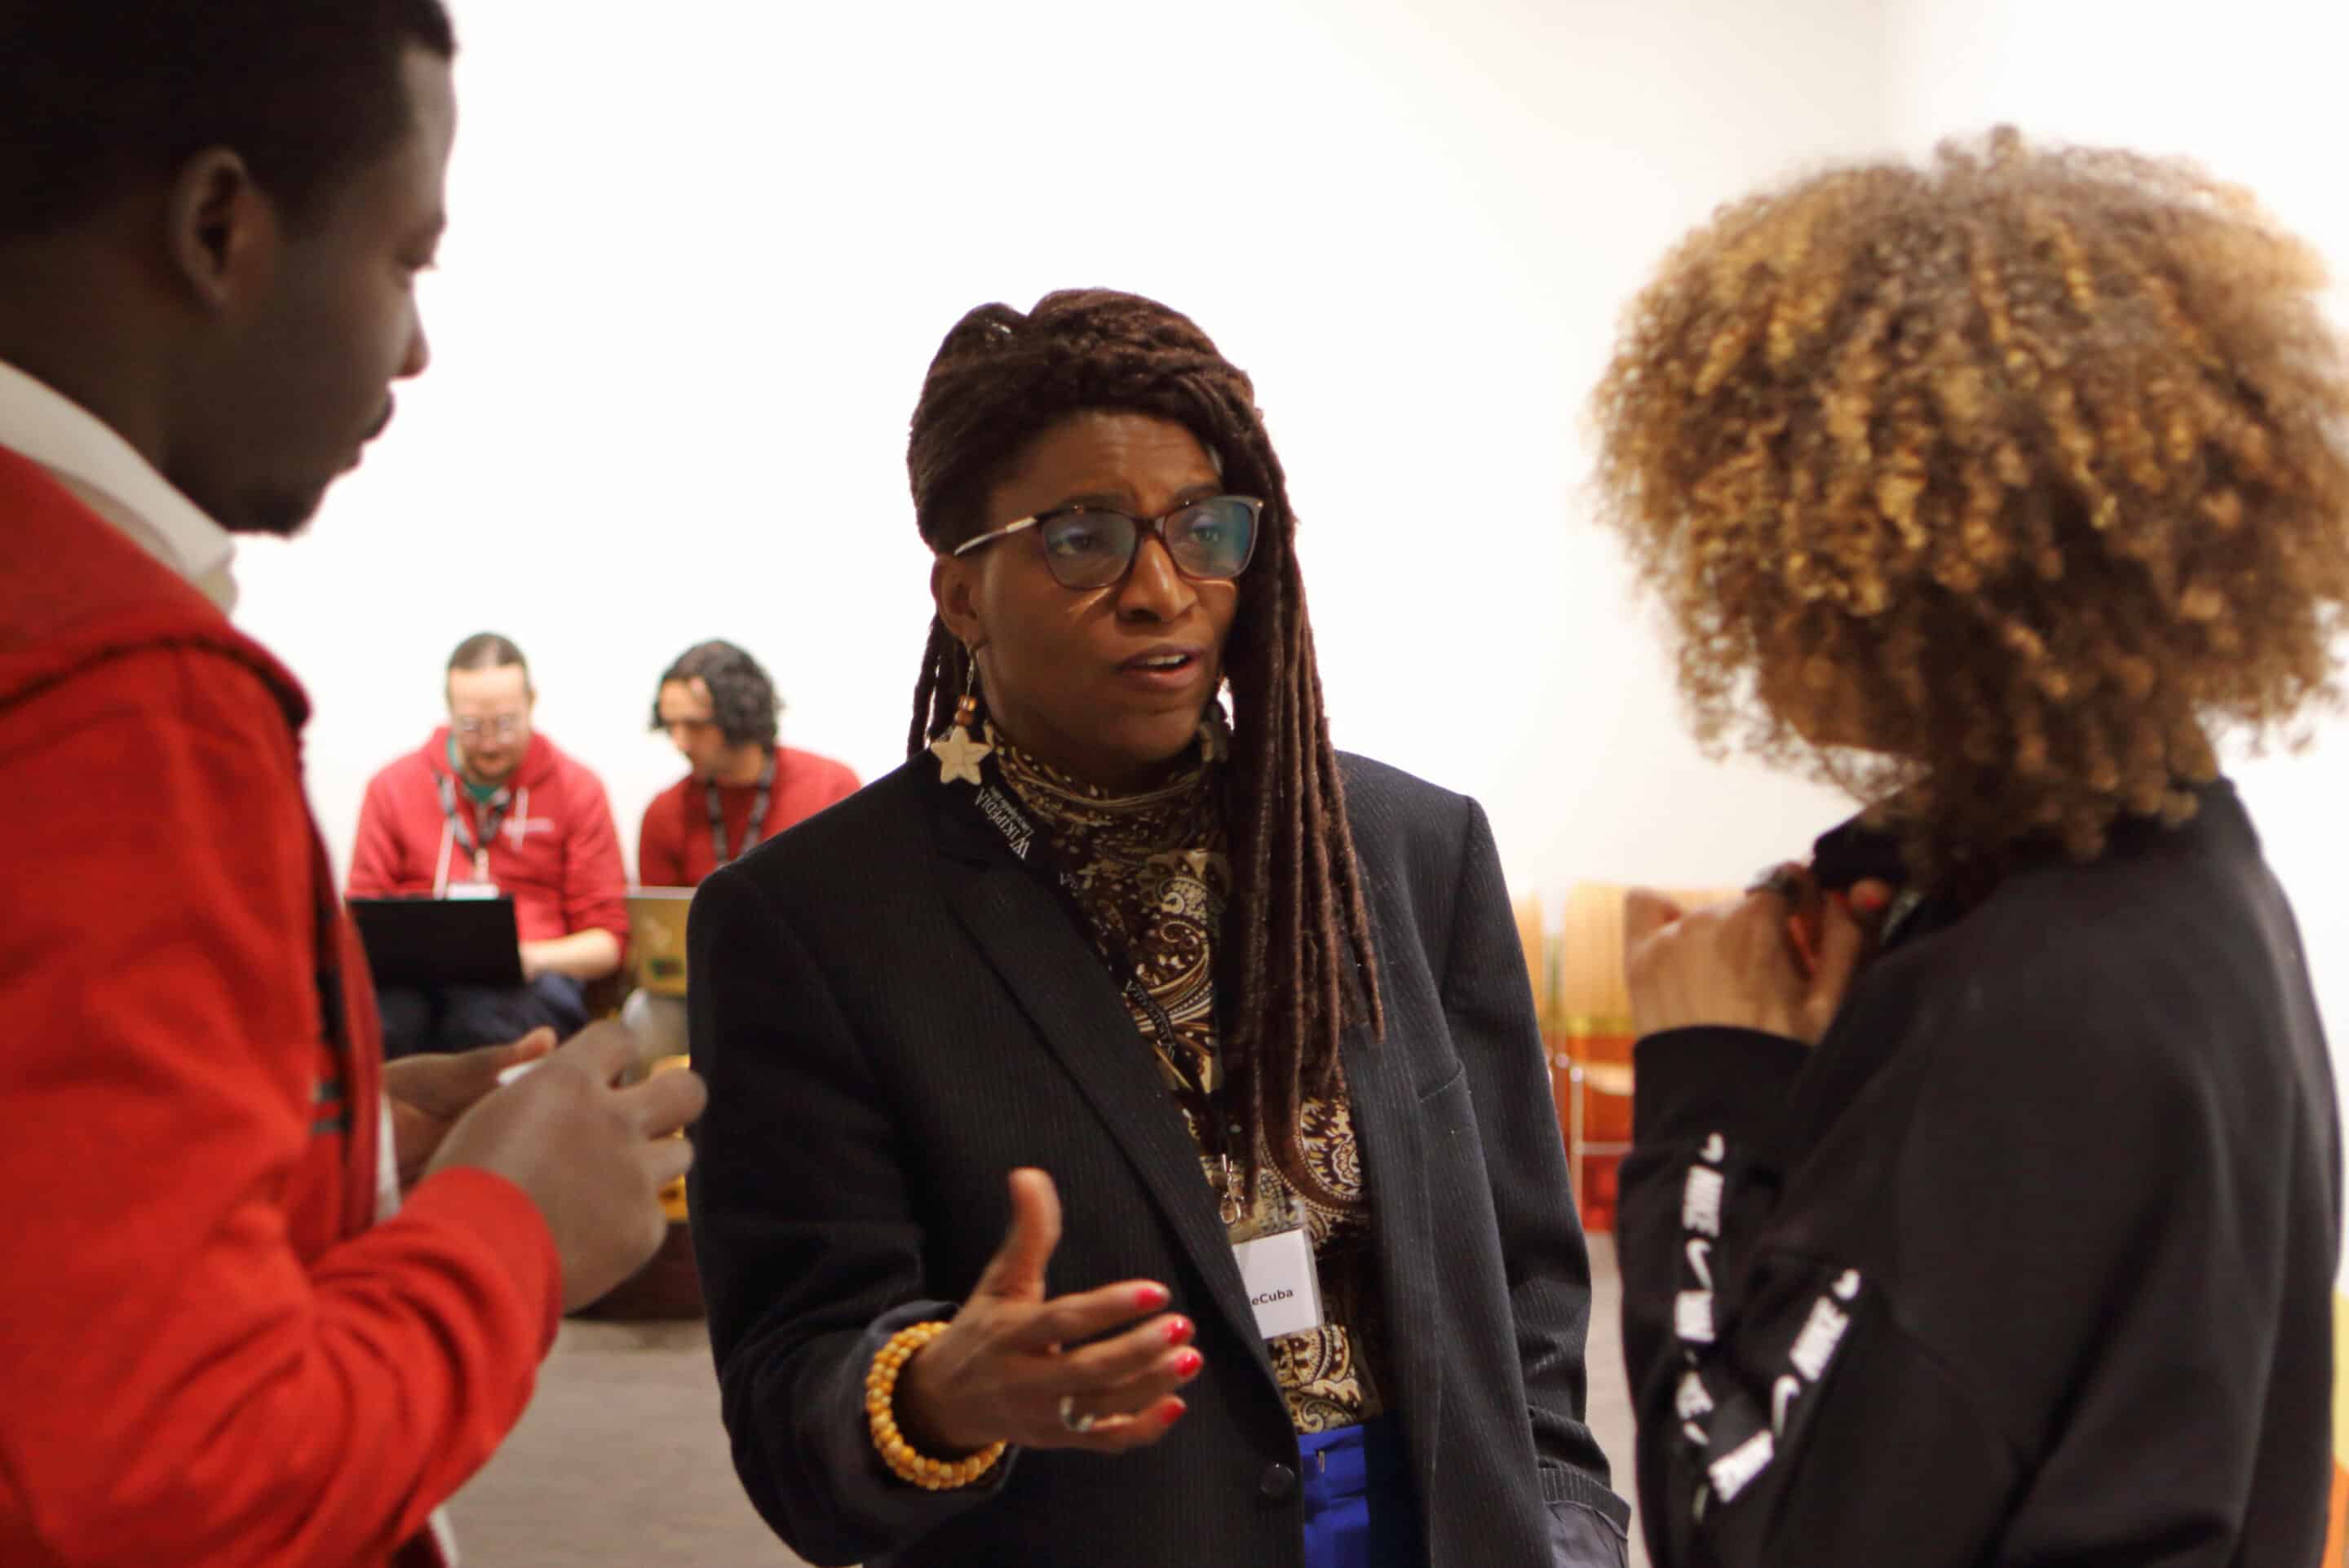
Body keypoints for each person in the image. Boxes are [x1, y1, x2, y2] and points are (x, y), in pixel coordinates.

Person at [688, 289, 1630, 1568]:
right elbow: (792, 1384)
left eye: (1202, 530)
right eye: (1082, 538)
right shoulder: (817, 922)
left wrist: (1565, 1529)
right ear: (961, 593)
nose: (1159, 590)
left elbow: (1526, 1288)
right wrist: (931, 1393)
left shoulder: (1408, 852)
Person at [0, 4, 706, 1566]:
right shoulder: (116, 692)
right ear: (216, 227)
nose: (413, 343)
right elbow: (171, 1476)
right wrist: (509, 1233)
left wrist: (347, 1142)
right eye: (408, 260)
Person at [1590, 130, 2347, 1568]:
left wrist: (1706, 1088)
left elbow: (1735, 1523)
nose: (1739, 586)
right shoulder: (2196, 884)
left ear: (1928, 557)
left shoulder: (2020, 1003)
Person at [348, 631, 630, 1057]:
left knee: (481, 1025)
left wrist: (529, 957)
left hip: (532, 979)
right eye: (472, 725)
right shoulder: (393, 787)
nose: (490, 741)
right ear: (449, 710)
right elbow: (360, 915)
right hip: (412, 981)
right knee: (375, 1024)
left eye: (505, 723)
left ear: (531, 702)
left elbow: (608, 941)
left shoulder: (577, 789)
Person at [622, 638, 860, 1056]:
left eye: (695, 725)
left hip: (810, 987)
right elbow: (657, 936)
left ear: (740, 715)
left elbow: (858, 912)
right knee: (646, 1016)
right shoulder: (665, 812)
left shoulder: (830, 787)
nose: (679, 740)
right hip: (705, 990)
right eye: (670, 724)